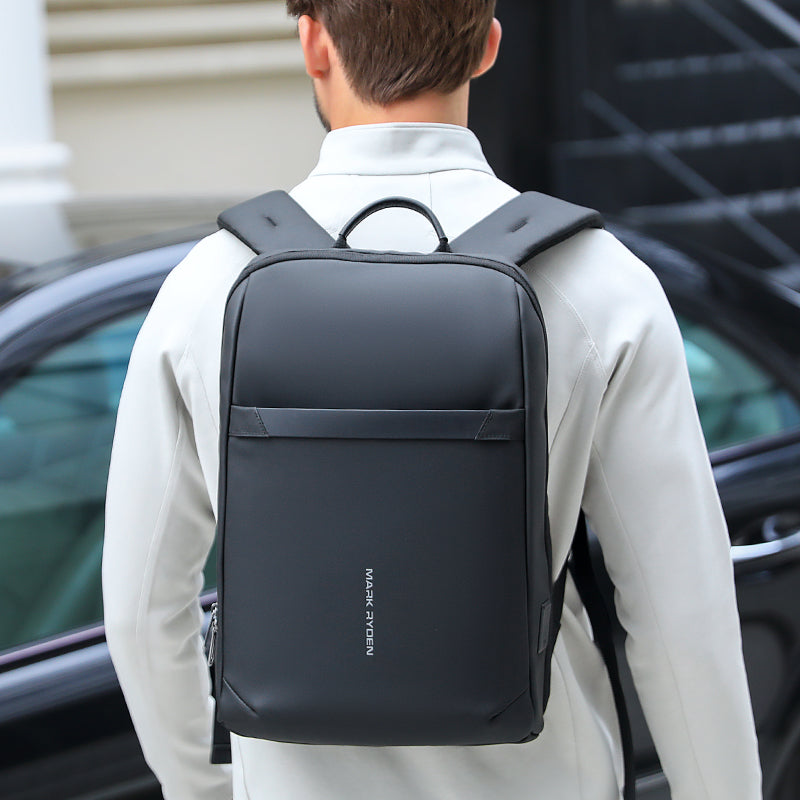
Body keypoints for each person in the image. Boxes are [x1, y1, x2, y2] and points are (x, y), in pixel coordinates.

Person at [102, 1, 762, 798]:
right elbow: (679, 616)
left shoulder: (206, 286)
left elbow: (143, 610)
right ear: (487, 45)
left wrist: (199, 785)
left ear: (314, 42)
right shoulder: (600, 283)